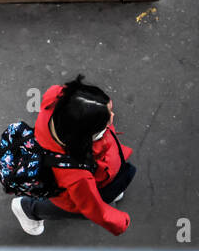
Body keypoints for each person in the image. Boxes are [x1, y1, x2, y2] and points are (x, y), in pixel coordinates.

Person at [10, 75, 137, 237]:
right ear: (86, 135)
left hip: (101, 174)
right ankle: (28, 209)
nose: (112, 117)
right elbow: (93, 208)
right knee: (74, 209)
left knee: (106, 190)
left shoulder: (60, 104)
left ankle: (111, 187)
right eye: (107, 118)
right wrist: (120, 221)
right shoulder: (77, 175)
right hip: (76, 192)